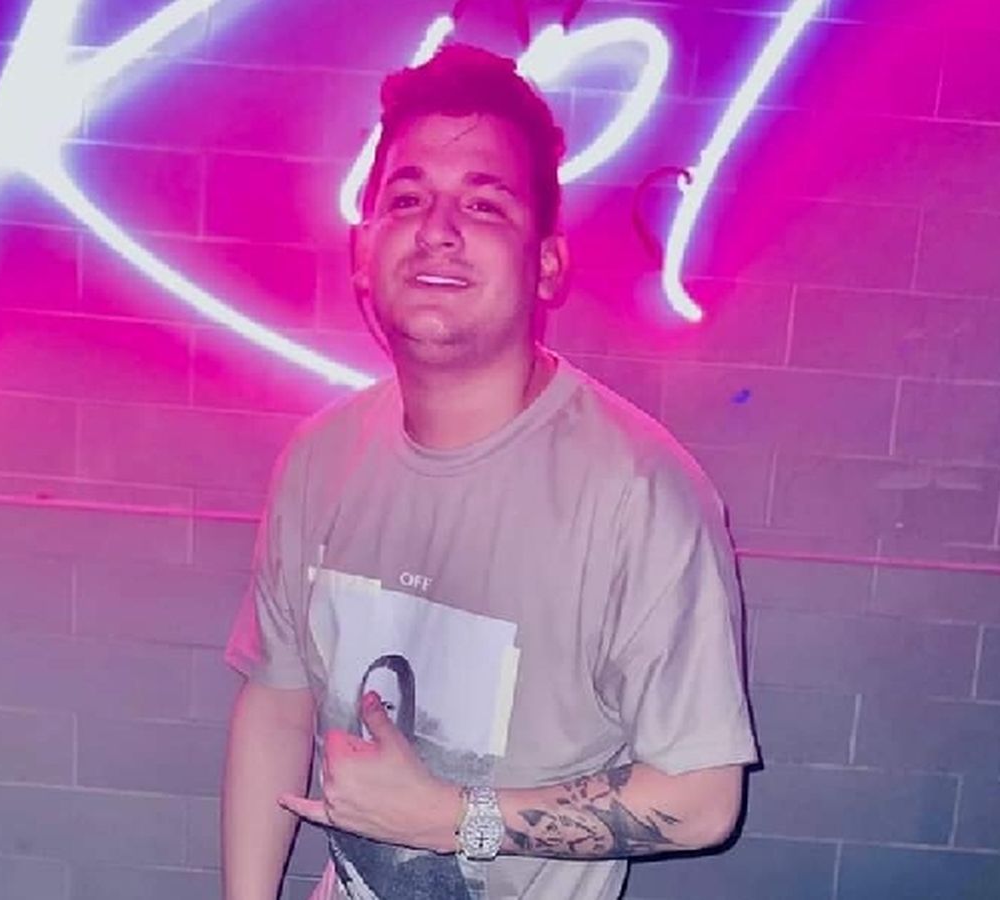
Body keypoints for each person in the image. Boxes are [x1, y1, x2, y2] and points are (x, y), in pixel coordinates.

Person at [221, 43, 758, 900]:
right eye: (407, 199)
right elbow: (278, 701)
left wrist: (450, 817)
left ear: (547, 264)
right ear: (363, 250)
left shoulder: (637, 492)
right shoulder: (319, 459)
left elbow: (702, 800)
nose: (437, 228)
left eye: (484, 203)